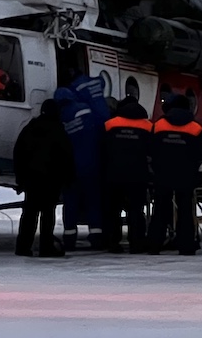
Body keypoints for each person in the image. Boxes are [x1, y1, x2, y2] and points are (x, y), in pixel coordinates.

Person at [12, 98, 74, 258]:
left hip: (31, 179)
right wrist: (68, 179)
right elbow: (66, 157)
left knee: (29, 214)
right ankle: (46, 247)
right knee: (48, 214)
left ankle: (23, 247)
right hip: (51, 181)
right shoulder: (58, 130)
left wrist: (20, 178)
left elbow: (18, 153)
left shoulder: (30, 128)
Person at [148, 93, 202, 256]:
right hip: (186, 175)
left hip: (163, 173)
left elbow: (151, 149)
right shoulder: (196, 128)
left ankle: (154, 244)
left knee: (160, 208)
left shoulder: (159, 125)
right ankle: (186, 245)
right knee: (185, 210)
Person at [54, 87, 104, 251]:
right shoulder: (85, 109)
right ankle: (97, 236)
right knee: (93, 201)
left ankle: (69, 238)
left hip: (70, 168)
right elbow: (99, 130)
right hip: (92, 163)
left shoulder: (59, 117)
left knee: (70, 203)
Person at [103, 95, 154, 253]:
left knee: (114, 210)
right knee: (136, 210)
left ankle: (113, 242)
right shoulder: (148, 126)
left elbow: (102, 149)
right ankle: (137, 242)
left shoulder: (109, 124)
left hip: (114, 174)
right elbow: (152, 150)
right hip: (138, 175)